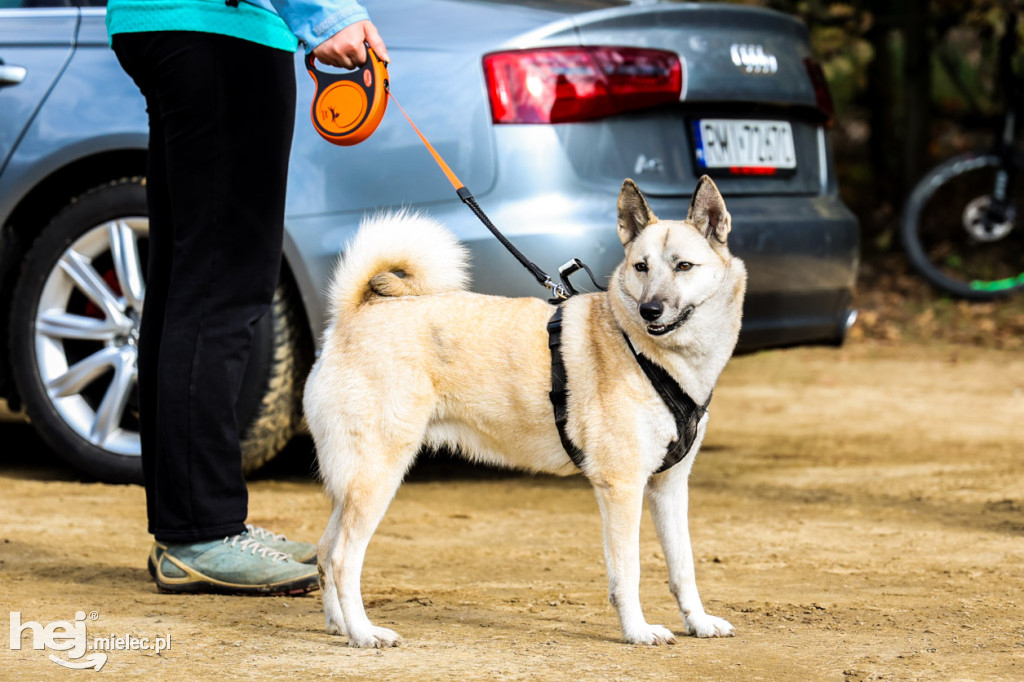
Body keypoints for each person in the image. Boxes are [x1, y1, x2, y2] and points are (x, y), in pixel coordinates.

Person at [106, 0, 389, 595]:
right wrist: (325, 16)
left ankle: (195, 524)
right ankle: (199, 533)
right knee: (221, 284)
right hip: (218, 27)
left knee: (188, 278)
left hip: (165, 22)